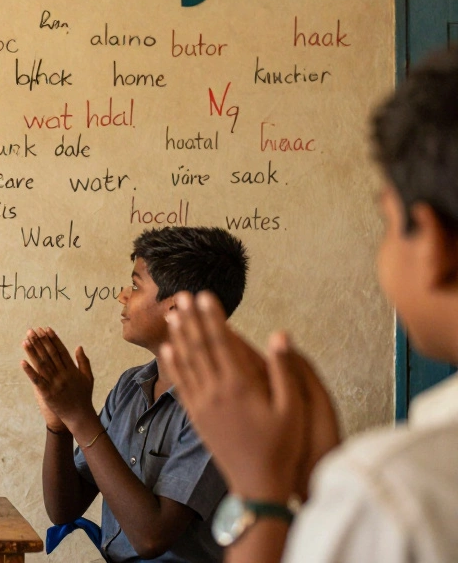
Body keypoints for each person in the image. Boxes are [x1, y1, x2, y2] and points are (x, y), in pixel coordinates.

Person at [160, 47, 458, 563]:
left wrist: (260, 493)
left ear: (431, 242)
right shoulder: (375, 486)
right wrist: (325, 481)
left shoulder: (391, 491)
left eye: (387, 222)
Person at [24, 226, 248, 562]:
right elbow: (64, 509)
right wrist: (59, 426)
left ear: (176, 310)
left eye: (135, 285)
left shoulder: (220, 404)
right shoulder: (131, 386)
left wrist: (81, 418)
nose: (122, 296)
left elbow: (151, 538)